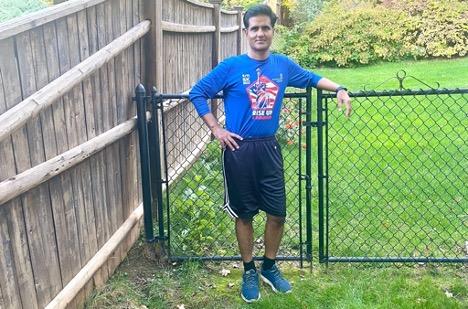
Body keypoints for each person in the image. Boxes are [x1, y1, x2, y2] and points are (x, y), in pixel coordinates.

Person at [189, 4, 351, 303]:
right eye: (255, 28)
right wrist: (216, 129)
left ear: (272, 31)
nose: (260, 33)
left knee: (277, 213)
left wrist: (339, 87)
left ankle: (269, 266)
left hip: (269, 148)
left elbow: (311, 78)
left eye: (266, 28)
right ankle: (249, 269)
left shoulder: (282, 65)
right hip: (238, 149)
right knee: (245, 213)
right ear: (246, 32)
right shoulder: (231, 67)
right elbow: (197, 92)